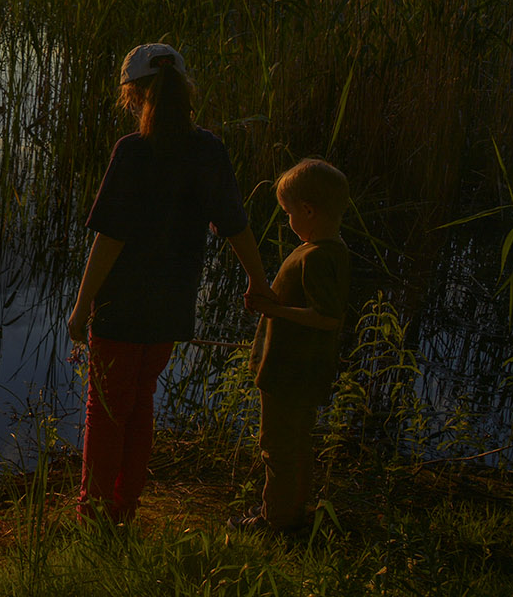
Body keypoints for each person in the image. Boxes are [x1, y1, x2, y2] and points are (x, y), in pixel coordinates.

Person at [68, 42, 269, 524]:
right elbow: (236, 224)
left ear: (134, 94)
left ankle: (94, 514)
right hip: (173, 304)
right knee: (140, 402)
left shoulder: (133, 151)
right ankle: (124, 508)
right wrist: (258, 282)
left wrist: (81, 307)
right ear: (184, 90)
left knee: (106, 408)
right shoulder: (208, 150)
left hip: (120, 307)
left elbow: (111, 239)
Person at [233, 158, 351, 533]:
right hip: (304, 370)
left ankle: (275, 521)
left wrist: (275, 311)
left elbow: (328, 317)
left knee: (277, 446)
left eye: (288, 213)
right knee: (298, 443)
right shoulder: (330, 248)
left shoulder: (316, 257)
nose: (287, 220)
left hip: (287, 371)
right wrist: (273, 302)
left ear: (308, 211)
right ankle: (291, 510)